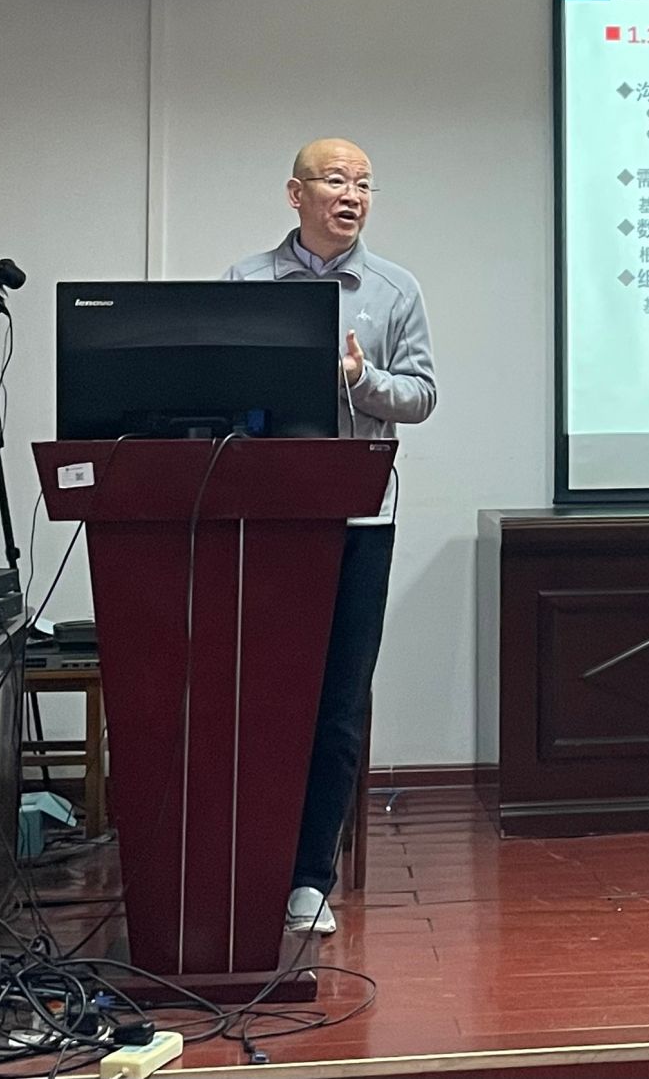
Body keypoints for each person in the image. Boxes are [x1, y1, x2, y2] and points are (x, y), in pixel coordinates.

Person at [226, 138, 436, 936]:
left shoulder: (395, 289)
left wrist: (361, 379)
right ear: (296, 193)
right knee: (261, 696)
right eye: (337, 180)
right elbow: (212, 384)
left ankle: (310, 878)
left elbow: (421, 396)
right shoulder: (246, 282)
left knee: (338, 702)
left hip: (359, 521)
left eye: (365, 184)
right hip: (264, 521)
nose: (353, 195)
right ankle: (249, 862)